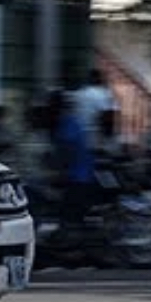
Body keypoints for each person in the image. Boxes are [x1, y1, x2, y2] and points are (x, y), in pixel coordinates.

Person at [45, 88, 96, 221]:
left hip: (76, 179)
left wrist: (55, 170)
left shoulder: (66, 125)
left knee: (70, 218)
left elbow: (66, 155)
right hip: (82, 178)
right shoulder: (74, 122)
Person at [74, 68, 116, 149]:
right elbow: (107, 115)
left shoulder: (80, 93)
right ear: (98, 78)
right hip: (95, 136)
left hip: (79, 134)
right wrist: (108, 139)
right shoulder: (102, 93)